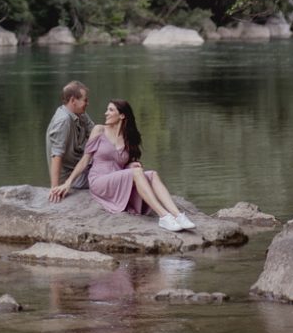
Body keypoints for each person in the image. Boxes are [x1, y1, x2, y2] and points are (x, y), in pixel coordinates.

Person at [49, 98, 196, 232]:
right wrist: (68, 183)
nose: (106, 113)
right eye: (107, 109)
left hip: (118, 177)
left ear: (122, 115)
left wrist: (130, 166)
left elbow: (122, 165)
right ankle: (164, 216)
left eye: (111, 110)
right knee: (137, 173)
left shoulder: (128, 138)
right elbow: (85, 159)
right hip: (99, 180)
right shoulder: (99, 130)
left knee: (152, 174)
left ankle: (178, 215)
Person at [45, 80, 94, 195]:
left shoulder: (80, 113)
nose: (88, 103)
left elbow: (96, 134)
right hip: (71, 178)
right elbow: (56, 155)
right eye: (85, 100)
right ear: (73, 101)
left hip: (82, 168)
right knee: (108, 175)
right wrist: (55, 188)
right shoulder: (63, 121)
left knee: (111, 165)